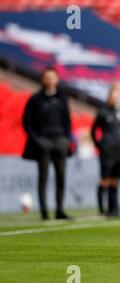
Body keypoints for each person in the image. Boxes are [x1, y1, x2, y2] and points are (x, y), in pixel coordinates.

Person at [22, 67, 72, 220]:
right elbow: (26, 122)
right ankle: (44, 212)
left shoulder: (63, 98)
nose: (50, 80)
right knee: (43, 177)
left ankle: (59, 210)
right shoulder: (35, 99)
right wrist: (37, 140)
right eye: (47, 77)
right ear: (42, 79)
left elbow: (67, 121)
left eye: (52, 77)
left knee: (61, 176)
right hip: (43, 141)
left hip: (60, 141)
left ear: (57, 79)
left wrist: (66, 139)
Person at [91, 81, 120, 218]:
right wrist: (99, 145)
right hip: (107, 151)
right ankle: (102, 210)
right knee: (105, 180)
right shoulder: (103, 111)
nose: (116, 97)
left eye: (119, 94)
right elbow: (93, 131)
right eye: (114, 94)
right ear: (109, 95)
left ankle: (114, 209)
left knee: (116, 180)